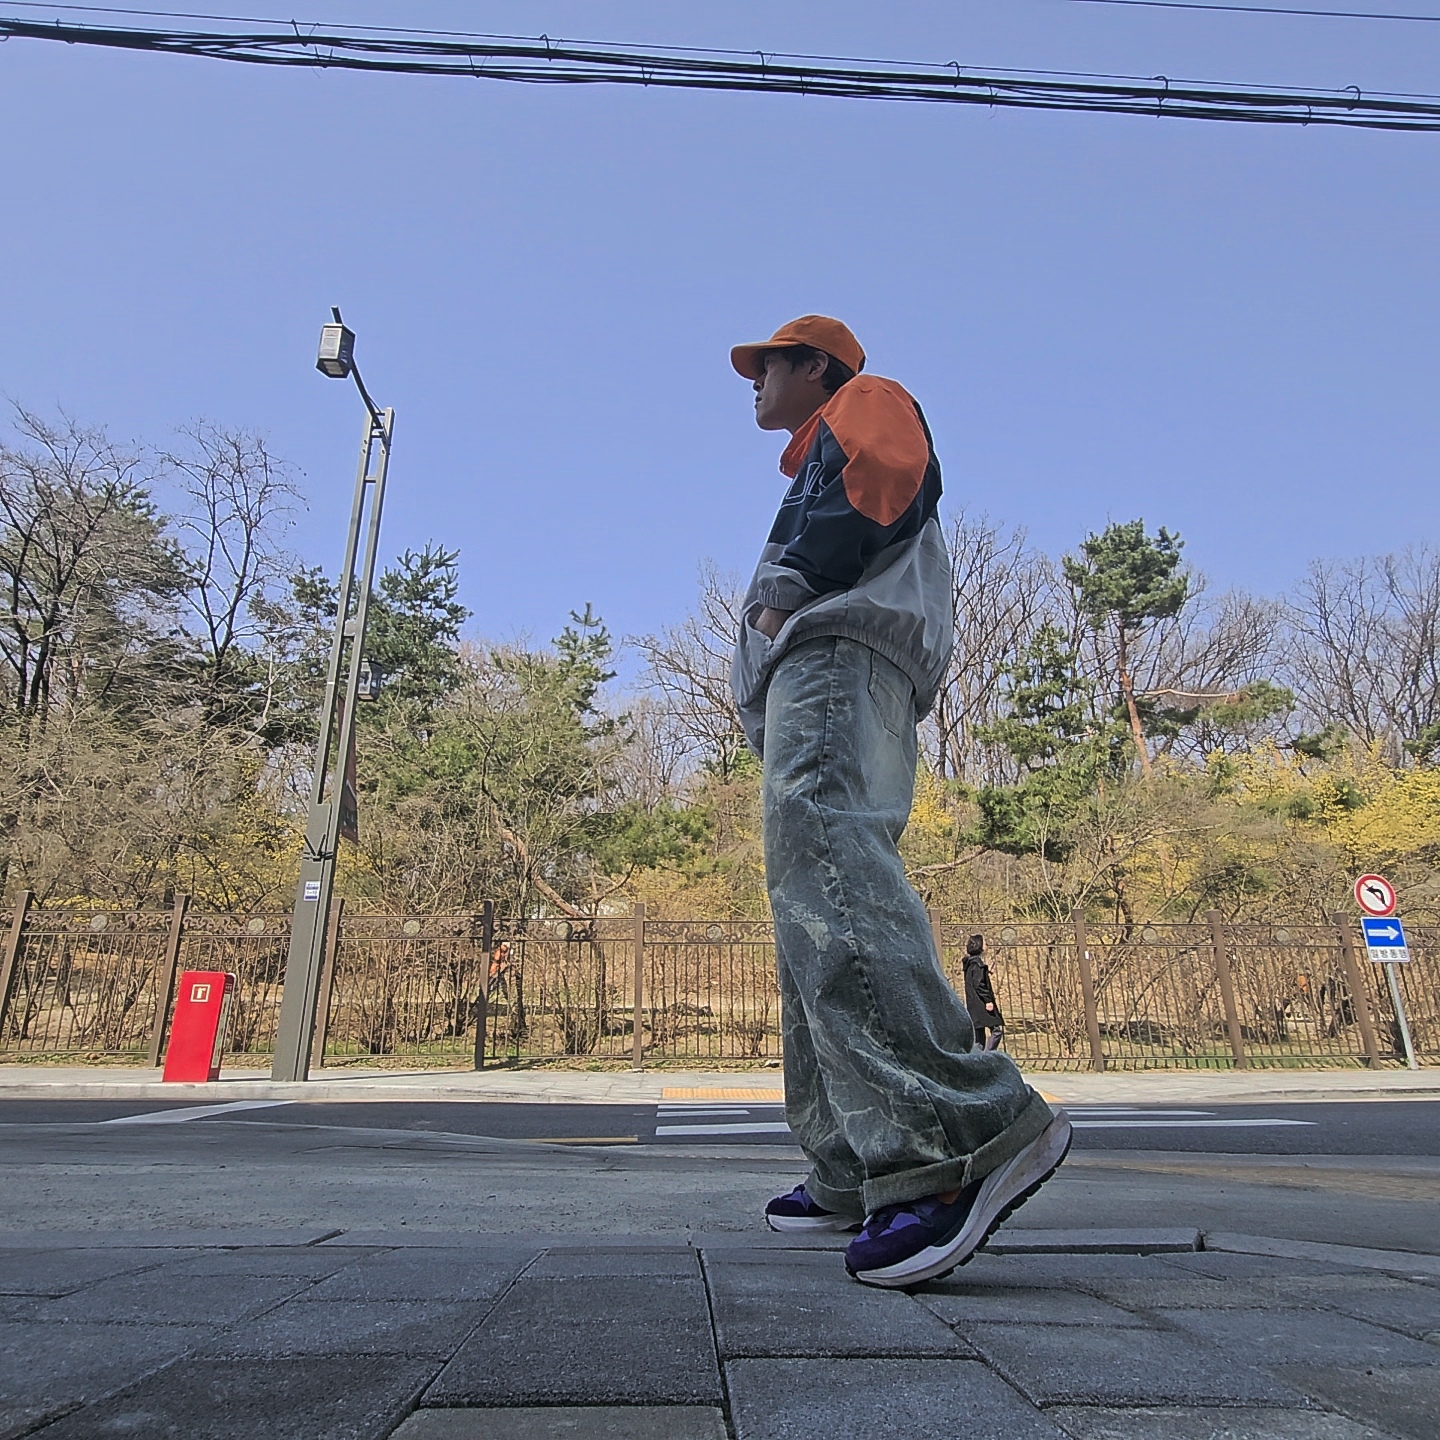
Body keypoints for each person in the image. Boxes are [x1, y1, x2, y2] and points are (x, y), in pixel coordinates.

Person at [728, 315, 1070, 1288]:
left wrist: (784, 594)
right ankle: (857, 1160)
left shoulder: (864, 403)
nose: (752, 383)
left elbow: (882, 474)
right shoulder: (816, 446)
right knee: (808, 909)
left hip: (838, 657)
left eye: (766, 367)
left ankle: (961, 1135)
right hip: (818, 673)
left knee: (832, 882)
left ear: (815, 367)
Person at [963, 934, 1005, 1051]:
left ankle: (978, 1059)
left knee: (979, 1036)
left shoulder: (970, 963)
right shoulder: (977, 965)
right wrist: (988, 1000)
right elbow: (979, 984)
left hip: (973, 1004)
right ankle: (987, 1056)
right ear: (979, 946)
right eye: (984, 943)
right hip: (981, 1004)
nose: (986, 945)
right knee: (996, 1030)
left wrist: (986, 970)